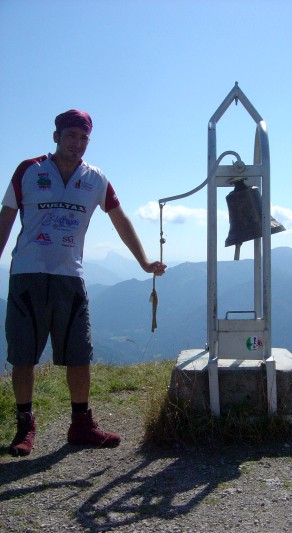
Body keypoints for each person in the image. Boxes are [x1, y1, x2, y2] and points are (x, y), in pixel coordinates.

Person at [0, 109, 166, 456]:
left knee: (79, 353)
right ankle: (24, 427)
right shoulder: (28, 170)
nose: (77, 143)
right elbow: (7, 217)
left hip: (70, 276)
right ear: (56, 135)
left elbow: (120, 219)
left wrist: (144, 261)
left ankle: (80, 425)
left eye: (83, 138)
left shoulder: (95, 179)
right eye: (71, 135)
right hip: (27, 274)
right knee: (23, 355)